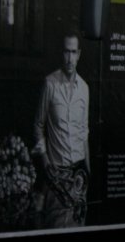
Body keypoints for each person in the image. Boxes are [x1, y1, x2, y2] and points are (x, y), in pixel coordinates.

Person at [33, 32, 90, 228]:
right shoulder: (50, 83)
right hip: (56, 176)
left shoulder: (84, 89)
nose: (69, 58)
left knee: (78, 231)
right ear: (61, 53)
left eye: (73, 52)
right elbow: (38, 125)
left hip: (79, 177)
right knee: (55, 231)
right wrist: (45, 161)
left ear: (79, 54)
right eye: (66, 52)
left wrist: (88, 172)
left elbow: (84, 131)